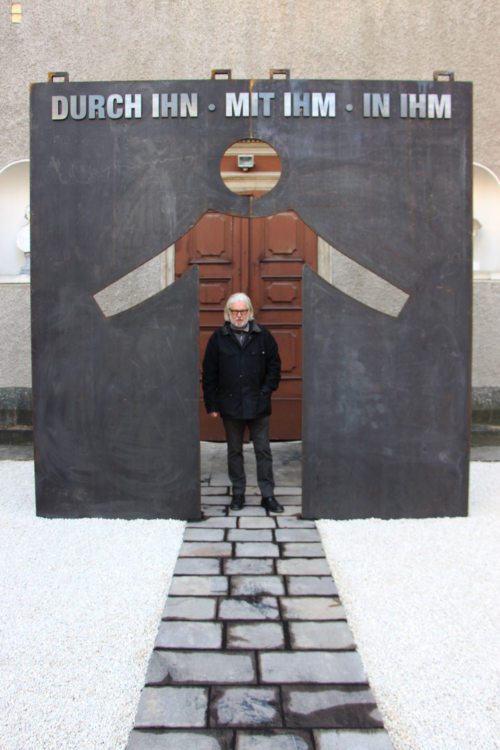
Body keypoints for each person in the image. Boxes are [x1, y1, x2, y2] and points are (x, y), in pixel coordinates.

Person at [202, 292, 284, 513]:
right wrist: (212, 405)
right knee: (234, 451)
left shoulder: (263, 336)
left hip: (259, 405)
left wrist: (266, 392)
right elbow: (209, 373)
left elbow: (274, 367)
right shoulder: (218, 338)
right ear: (228, 314)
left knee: (263, 451)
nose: (239, 315)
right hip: (230, 405)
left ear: (250, 312)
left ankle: (267, 495)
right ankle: (238, 493)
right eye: (235, 312)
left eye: (243, 311)